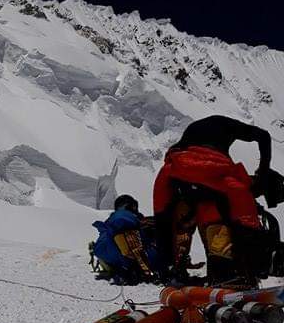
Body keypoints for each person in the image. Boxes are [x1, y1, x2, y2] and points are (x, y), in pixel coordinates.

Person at [153, 115, 272, 286]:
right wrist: (263, 173)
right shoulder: (225, 124)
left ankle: (175, 274)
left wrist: (164, 262)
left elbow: (161, 214)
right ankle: (227, 274)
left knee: (176, 220)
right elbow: (264, 136)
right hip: (215, 176)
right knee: (221, 220)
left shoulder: (190, 135)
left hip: (177, 176)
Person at [90, 194, 161, 285]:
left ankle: (124, 269)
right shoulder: (127, 217)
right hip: (135, 257)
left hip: (108, 254)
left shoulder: (109, 225)